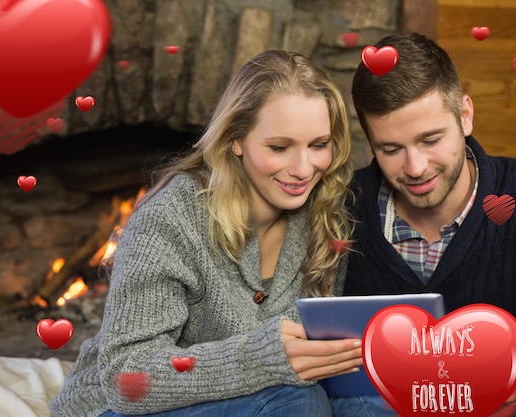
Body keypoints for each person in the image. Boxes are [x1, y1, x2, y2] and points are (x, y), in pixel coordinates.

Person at [48, 49, 364, 417]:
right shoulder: (171, 218)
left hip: (252, 403)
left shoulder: (326, 217)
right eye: (279, 147)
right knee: (299, 401)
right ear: (236, 140)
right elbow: (127, 377)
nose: (303, 168)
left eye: (319, 146)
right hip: (121, 408)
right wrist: (264, 358)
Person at [343, 31, 516, 415]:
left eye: (430, 140)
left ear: (465, 115)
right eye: (390, 149)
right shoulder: (342, 210)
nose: (415, 167)